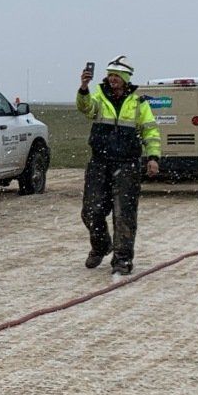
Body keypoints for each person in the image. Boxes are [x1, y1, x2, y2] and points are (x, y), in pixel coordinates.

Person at [75, 57, 161, 275]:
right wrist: (83, 87)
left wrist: (153, 157)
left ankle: (122, 260)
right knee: (91, 211)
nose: (113, 79)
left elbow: (150, 131)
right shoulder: (98, 97)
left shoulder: (139, 103)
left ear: (125, 79)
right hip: (99, 163)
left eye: (117, 76)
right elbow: (86, 109)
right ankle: (101, 245)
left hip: (127, 164)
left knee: (124, 214)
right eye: (110, 75)